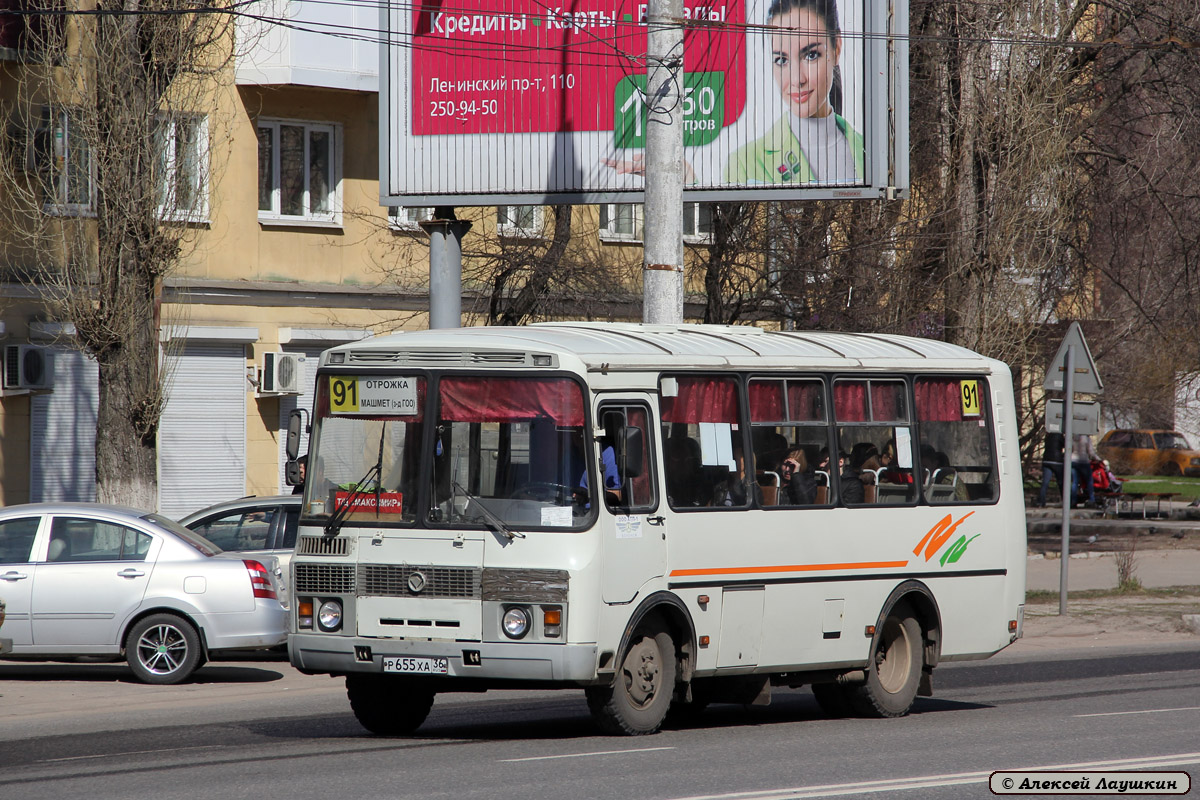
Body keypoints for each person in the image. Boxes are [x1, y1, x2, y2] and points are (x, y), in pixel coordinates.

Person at [723, 0, 864, 185]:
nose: (797, 79)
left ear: (836, 48)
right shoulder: (743, 163)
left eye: (811, 55)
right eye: (782, 60)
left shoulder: (868, 151)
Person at [1071, 433, 1099, 507]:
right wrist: (1098, 459)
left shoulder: (1073, 438)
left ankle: (1073, 501)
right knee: (1089, 481)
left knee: (1074, 482)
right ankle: (1091, 499)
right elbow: (1091, 452)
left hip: (1073, 460)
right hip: (1083, 461)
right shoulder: (1086, 438)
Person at [1037, 432, 1065, 507]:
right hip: (1057, 461)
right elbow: (1066, 445)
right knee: (1061, 482)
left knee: (1045, 483)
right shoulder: (1060, 436)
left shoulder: (1048, 436)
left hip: (1046, 460)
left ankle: (1041, 502)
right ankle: (1065, 500)